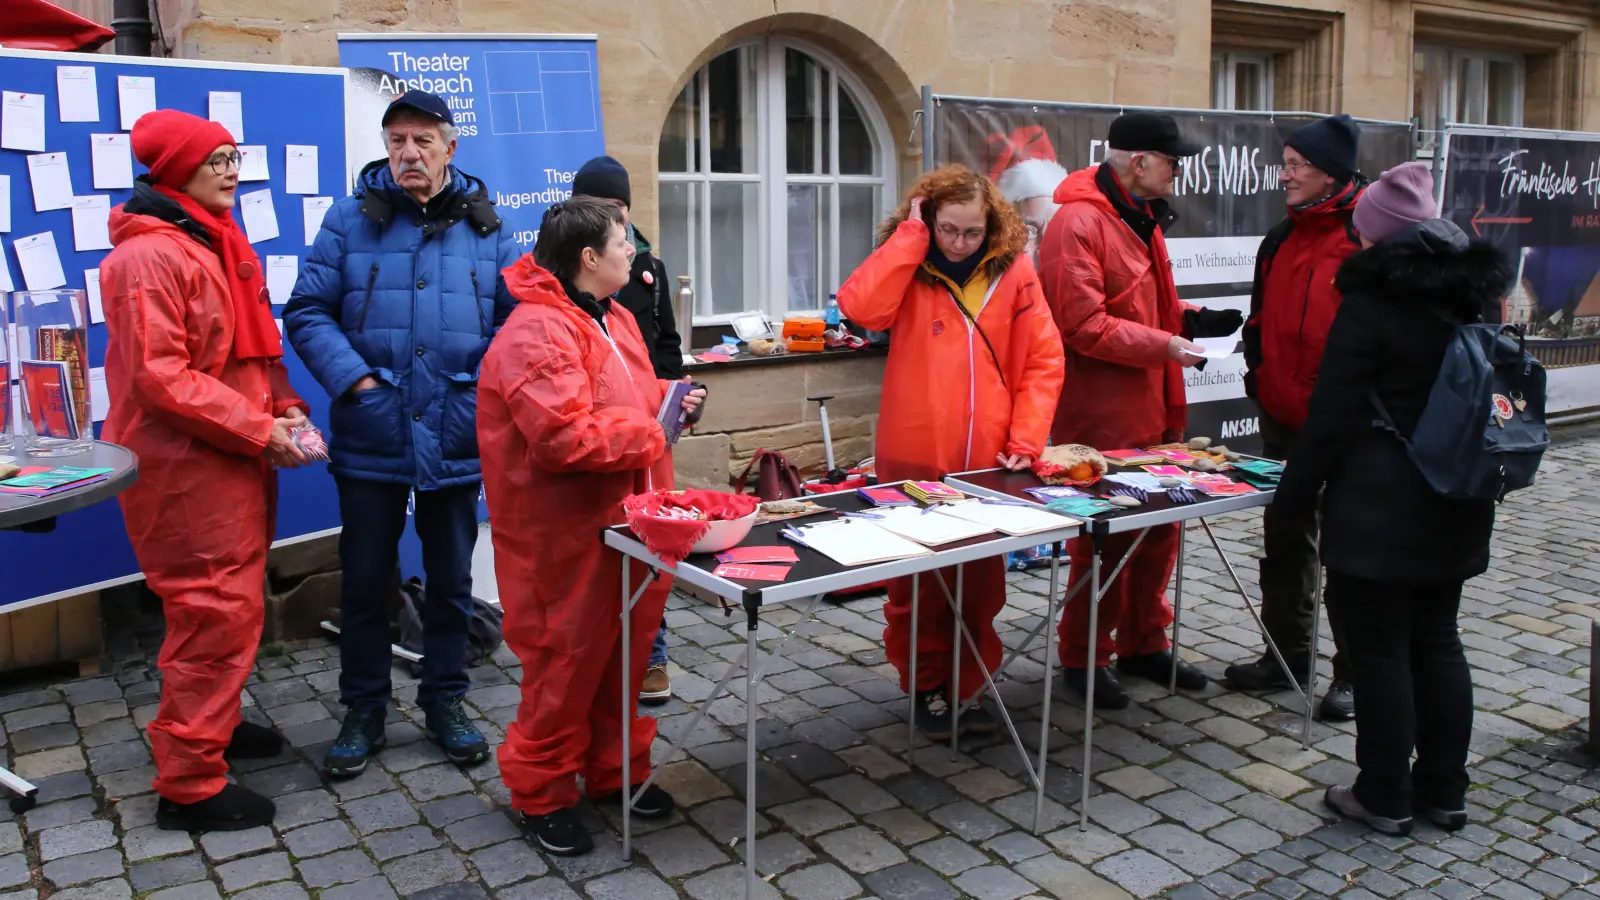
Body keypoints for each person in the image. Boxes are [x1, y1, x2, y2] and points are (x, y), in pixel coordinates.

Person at [285, 90, 519, 777]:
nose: (408, 153)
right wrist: (356, 381)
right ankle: (363, 710)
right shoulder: (349, 219)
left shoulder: (488, 228)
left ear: (450, 148)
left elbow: (517, 321)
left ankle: (446, 699)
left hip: (455, 428)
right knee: (364, 581)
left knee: (451, 580)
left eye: (422, 140)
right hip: (373, 429)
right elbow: (307, 311)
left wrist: (478, 385)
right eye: (397, 141)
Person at [1272, 162, 1504, 836]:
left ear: (1379, 233)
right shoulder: (1471, 294)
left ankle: (1382, 794)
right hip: (1457, 493)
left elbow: (1330, 416)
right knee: (1437, 640)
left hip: (1380, 503)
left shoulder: (1373, 301)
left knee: (1378, 652)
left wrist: (1292, 498)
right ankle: (1444, 791)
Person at [477, 197, 706, 855]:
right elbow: (563, 437)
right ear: (588, 257)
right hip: (564, 535)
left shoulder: (614, 316)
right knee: (565, 666)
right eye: (622, 241)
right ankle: (541, 793)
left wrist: (674, 403)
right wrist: (653, 430)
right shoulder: (536, 332)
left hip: (630, 520)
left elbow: (629, 402)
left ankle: (615, 770)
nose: (632, 251)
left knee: (624, 657)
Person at [103, 109, 307, 831]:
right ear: (175, 171)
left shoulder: (213, 239)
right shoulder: (148, 258)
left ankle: (213, 727)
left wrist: (283, 404)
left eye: (233, 157)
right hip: (188, 467)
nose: (231, 172)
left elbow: (250, 348)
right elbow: (161, 378)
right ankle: (189, 784)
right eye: (215, 160)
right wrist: (258, 427)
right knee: (211, 611)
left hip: (228, 456)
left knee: (231, 605)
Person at [839, 165, 1065, 738]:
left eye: (971, 232)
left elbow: (1043, 360)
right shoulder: (908, 263)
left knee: (981, 585)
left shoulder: (1014, 271)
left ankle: (967, 687)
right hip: (914, 454)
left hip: (989, 459)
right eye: (948, 229)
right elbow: (860, 308)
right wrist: (911, 240)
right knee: (916, 587)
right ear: (928, 219)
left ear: (991, 225)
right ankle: (923, 686)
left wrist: (1026, 439)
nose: (960, 243)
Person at [1038, 113, 1242, 710]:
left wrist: (1193, 320)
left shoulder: (1138, 214)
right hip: (1101, 415)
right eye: (1173, 161)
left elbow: (1141, 305)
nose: (1179, 172)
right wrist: (1169, 344)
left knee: (1159, 532)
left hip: (1152, 405)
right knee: (1105, 541)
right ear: (1140, 161)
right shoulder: (1078, 221)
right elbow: (1081, 324)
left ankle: (1144, 643)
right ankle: (1084, 656)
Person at [1229, 114, 1365, 720]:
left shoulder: (1366, 237)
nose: (1284, 175)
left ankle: (1353, 674)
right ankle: (1284, 656)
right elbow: (1259, 320)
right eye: (1284, 163)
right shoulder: (1280, 236)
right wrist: (1259, 375)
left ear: (1329, 172)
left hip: (1349, 427)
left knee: (1350, 551)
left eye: (1295, 165)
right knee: (1285, 539)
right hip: (1284, 418)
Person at [570, 155, 683, 706]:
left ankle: (651, 653)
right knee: (607, 546)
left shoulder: (646, 268)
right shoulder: (567, 284)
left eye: (618, 208)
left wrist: (676, 398)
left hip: (650, 429)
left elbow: (667, 344)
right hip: (607, 434)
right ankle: (600, 658)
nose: (613, 218)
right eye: (599, 207)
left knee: (651, 538)